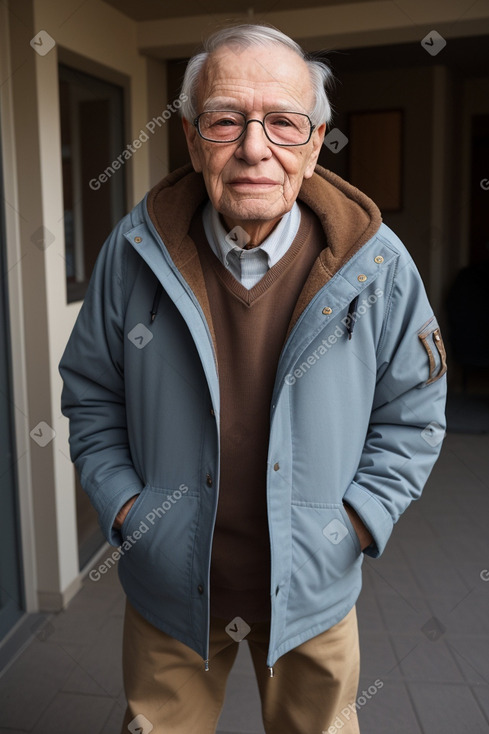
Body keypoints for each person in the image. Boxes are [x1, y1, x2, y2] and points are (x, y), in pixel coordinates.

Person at [59, 23, 447, 734]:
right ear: (189, 136)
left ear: (316, 137)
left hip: (314, 590)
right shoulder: (132, 249)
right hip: (169, 589)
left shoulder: (378, 263)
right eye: (225, 119)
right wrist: (127, 511)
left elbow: (413, 413)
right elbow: (91, 394)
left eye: (282, 121)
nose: (253, 147)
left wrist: (355, 524)